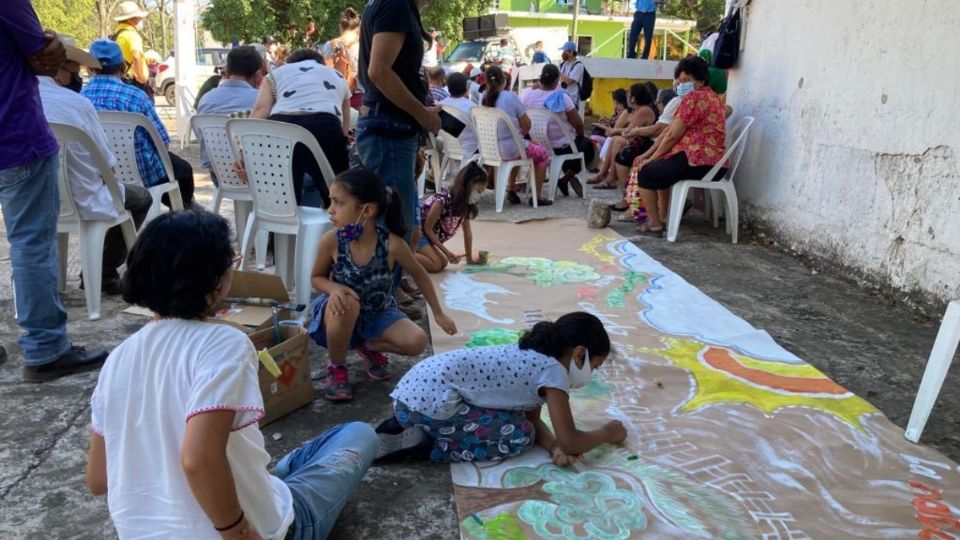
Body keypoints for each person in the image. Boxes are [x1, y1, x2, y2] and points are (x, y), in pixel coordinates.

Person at [86, 210, 379, 539]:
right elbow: (198, 458)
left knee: (257, 460)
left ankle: (270, 482)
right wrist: (238, 531)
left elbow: (99, 478)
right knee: (358, 434)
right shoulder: (223, 342)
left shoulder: (118, 359)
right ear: (218, 282)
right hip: (253, 530)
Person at [0, 4, 109, 382]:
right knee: (31, 244)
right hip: (13, 135)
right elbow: (46, 58)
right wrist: (52, 43)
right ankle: (45, 348)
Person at [374, 312, 628, 463]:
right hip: (433, 406)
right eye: (595, 366)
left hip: (412, 393)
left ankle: (403, 424)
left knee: (519, 420)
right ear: (579, 353)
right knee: (519, 435)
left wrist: (553, 446)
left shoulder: (534, 354)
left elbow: (533, 417)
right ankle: (431, 447)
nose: (592, 374)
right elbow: (571, 441)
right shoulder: (554, 374)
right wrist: (607, 432)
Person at [308, 169, 457, 401]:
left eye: (338, 202)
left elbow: (420, 274)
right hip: (338, 312)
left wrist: (438, 313)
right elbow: (316, 278)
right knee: (348, 301)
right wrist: (334, 289)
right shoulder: (332, 240)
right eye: (331, 201)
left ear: (366, 210)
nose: (330, 209)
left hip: (379, 314)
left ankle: (368, 346)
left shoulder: (392, 245)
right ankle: (337, 368)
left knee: (417, 341)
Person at [38, 39, 152, 294]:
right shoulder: (77, 104)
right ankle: (102, 273)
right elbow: (107, 165)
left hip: (39, 200)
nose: (77, 78)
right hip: (84, 199)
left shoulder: (20, 100)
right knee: (141, 198)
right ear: (59, 70)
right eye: (74, 72)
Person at [358, 0, 441, 247]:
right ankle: (387, 283)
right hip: (388, 127)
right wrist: (422, 115)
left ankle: (392, 281)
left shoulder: (391, 5)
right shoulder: (396, 5)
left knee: (398, 220)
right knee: (394, 223)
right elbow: (379, 71)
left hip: (390, 125)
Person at [83, 39, 196, 207]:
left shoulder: (80, 98)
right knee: (183, 170)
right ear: (122, 66)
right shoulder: (136, 96)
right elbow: (163, 142)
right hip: (142, 174)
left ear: (89, 67)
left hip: (98, 175)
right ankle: (183, 212)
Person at [632, 56, 727, 237]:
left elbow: (672, 136)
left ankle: (654, 224)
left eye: (687, 80)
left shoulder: (693, 99)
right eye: (680, 80)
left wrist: (650, 158)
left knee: (646, 173)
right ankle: (663, 216)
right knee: (657, 165)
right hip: (714, 163)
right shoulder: (712, 97)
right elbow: (668, 133)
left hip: (699, 162)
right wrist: (651, 154)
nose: (682, 84)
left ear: (700, 80)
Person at [250, 48, 351, 206]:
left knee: (284, 193)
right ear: (320, 63)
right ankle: (338, 224)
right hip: (325, 125)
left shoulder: (277, 74)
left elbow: (261, 110)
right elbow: (344, 125)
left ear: (290, 63)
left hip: (281, 126)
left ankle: (281, 225)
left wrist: (244, 149)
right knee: (338, 190)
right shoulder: (337, 75)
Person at [482, 65, 551, 207]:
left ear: (487, 82)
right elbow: (527, 125)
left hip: (490, 149)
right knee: (542, 153)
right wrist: (520, 134)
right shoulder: (510, 97)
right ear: (504, 81)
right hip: (510, 149)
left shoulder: (483, 99)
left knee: (518, 149)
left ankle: (512, 188)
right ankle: (537, 197)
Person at [521, 63, 593, 198]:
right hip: (561, 146)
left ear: (541, 78)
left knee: (573, 149)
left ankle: (565, 178)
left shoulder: (527, 95)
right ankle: (565, 179)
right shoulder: (562, 97)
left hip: (536, 144)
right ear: (556, 81)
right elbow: (578, 124)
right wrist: (581, 137)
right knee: (587, 147)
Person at [196, 46, 263, 181]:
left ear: (226, 72)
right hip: (256, 177)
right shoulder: (262, 102)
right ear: (257, 75)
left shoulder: (206, 99)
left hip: (219, 175)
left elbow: (201, 137)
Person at [415, 162, 486, 272]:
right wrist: (447, 252)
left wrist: (469, 259)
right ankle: (401, 257)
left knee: (443, 262)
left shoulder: (464, 204)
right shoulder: (442, 201)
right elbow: (427, 229)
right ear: (468, 185)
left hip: (427, 238)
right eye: (478, 191)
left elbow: (467, 232)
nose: (478, 196)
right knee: (436, 264)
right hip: (417, 233)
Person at [590, 83, 657, 193]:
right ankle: (604, 175)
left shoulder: (644, 110)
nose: (627, 98)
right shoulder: (639, 110)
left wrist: (625, 132)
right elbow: (629, 131)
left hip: (645, 145)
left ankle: (611, 179)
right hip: (639, 142)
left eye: (629, 94)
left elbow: (629, 132)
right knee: (614, 140)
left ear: (633, 98)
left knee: (617, 141)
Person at [321, 7, 364, 109]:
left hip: (334, 97)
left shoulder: (328, 45)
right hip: (356, 99)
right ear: (358, 28)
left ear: (340, 26)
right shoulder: (362, 46)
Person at [110, 1, 152, 97]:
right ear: (130, 19)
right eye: (138, 18)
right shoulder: (132, 35)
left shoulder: (116, 35)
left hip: (119, 79)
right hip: (131, 81)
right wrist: (143, 80)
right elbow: (136, 56)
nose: (139, 20)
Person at [438, 72, 478, 157]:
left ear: (448, 87)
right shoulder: (472, 107)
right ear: (466, 86)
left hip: (448, 148)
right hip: (469, 149)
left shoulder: (440, 105)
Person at [558, 41, 584, 107]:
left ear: (571, 52)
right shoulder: (564, 64)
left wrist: (558, 73)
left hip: (572, 100)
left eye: (564, 51)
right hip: (563, 97)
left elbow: (569, 81)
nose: (563, 53)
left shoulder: (578, 65)